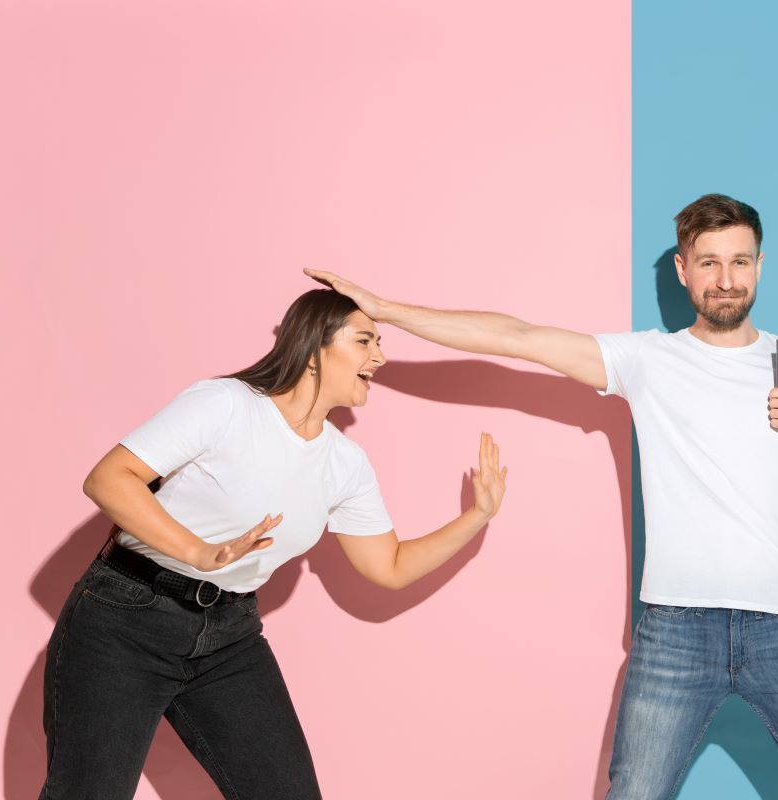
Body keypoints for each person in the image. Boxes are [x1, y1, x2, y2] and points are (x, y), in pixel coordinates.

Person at [306, 193, 778, 799]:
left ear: (760, 266)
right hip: (676, 628)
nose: (726, 279)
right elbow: (517, 337)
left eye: (739, 262)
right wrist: (385, 311)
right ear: (684, 271)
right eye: (708, 263)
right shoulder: (649, 360)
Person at [40, 289, 507, 800]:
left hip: (228, 637)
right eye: (365, 340)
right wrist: (198, 552)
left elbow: (388, 566)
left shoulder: (344, 463)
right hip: (126, 620)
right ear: (312, 349)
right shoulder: (226, 404)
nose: (380, 356)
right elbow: (109, 478)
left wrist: (476, 517)